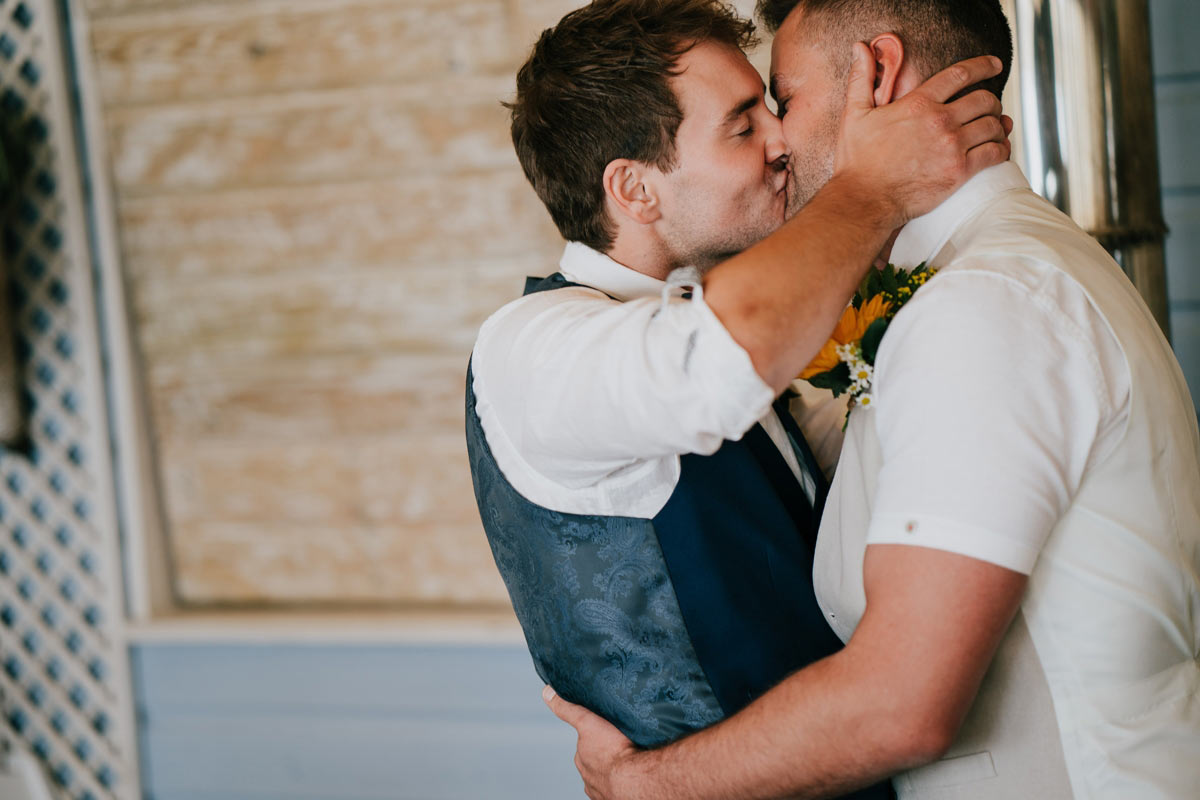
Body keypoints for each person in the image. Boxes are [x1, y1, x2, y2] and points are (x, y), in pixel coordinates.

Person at [544, 1, 1200, 798]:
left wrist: (643, 785)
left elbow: (903, 705)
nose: (778, 140)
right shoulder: (987, 275)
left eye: (783, 100)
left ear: (879, 75)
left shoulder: (984, 302)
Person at [465, 0, 1008, 784]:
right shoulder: (531, 348)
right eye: (744, 125)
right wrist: (873, 184)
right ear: (636, 189)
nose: (783, 139)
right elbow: (718, 356)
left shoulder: (698, 315)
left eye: (771, 107)